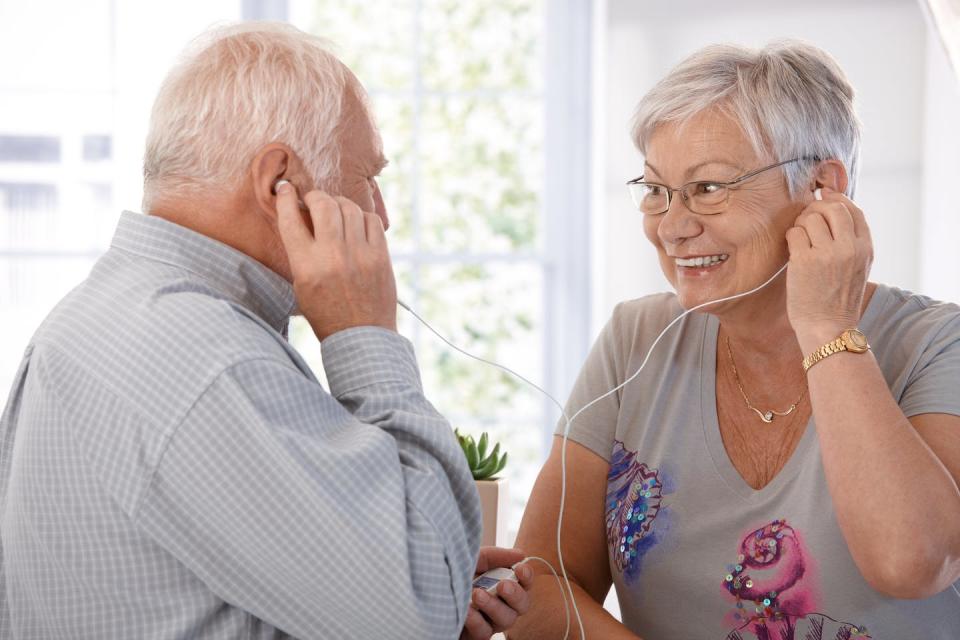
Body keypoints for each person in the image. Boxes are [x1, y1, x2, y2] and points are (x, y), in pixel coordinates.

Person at [0, 22, 532, 639]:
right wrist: (364, 334)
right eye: (368, 177)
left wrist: (396, 597)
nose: (381, 217)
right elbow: (415, 617)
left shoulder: (103, 317)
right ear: (279, 179)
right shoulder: (208, 361)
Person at [512, 41, 960, 639]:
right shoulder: (634, 338)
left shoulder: (938, 344)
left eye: (709, 188)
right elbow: (536, 588)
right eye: (656, 190)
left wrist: (827, 326)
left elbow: (912, 564)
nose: (673, 226)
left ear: (823, 187)